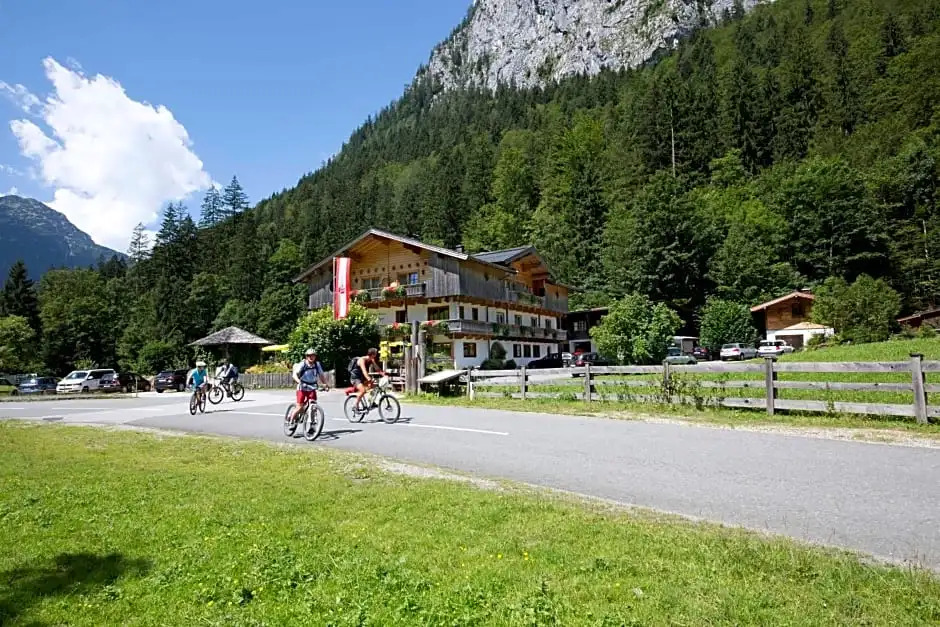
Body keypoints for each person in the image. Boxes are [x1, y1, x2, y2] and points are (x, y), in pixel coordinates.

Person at [290, 348, 329, 424]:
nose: (311, 357)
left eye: (313, 355)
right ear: (306, 357)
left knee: (313, 404)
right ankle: (290, 420)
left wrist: (325, 384)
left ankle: (312, 423)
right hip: (302, 387)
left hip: (312, 387)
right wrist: (299, 382)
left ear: (315, 356)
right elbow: (294, 375)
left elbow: (321, 375)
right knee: (299, 407)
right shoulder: (303, 364)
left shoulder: (317, 365)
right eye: (309, 356)